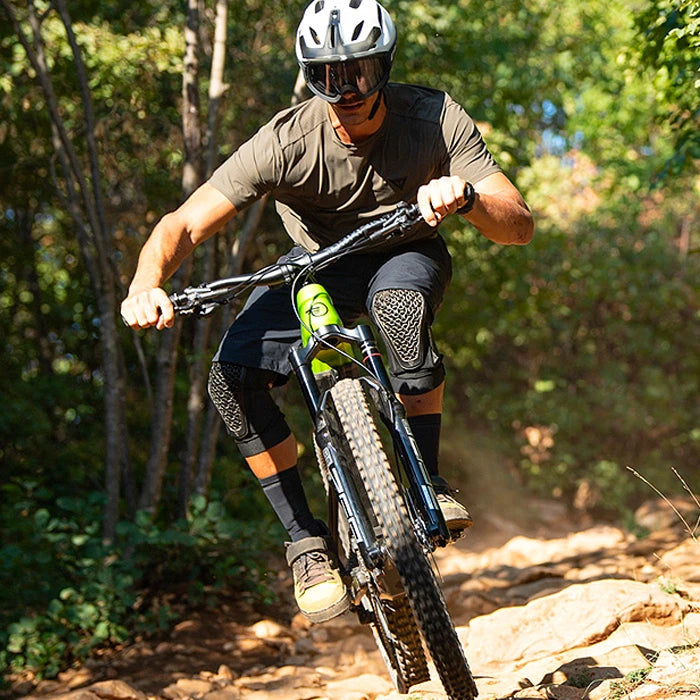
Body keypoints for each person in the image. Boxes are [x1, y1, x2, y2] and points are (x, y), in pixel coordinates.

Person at [121, 0, 533, 624]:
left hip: (405, 249)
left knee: (399, 311)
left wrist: (467, 196)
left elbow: (518, 227)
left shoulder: (433, 116)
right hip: (316, 265)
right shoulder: (286, 140)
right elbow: (182, 222)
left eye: (358, 74)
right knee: (231, 383)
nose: (343, 90)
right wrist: (146, 283)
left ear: (384, 68)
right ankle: (306, 543)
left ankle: (428, 480)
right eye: (326, 76)